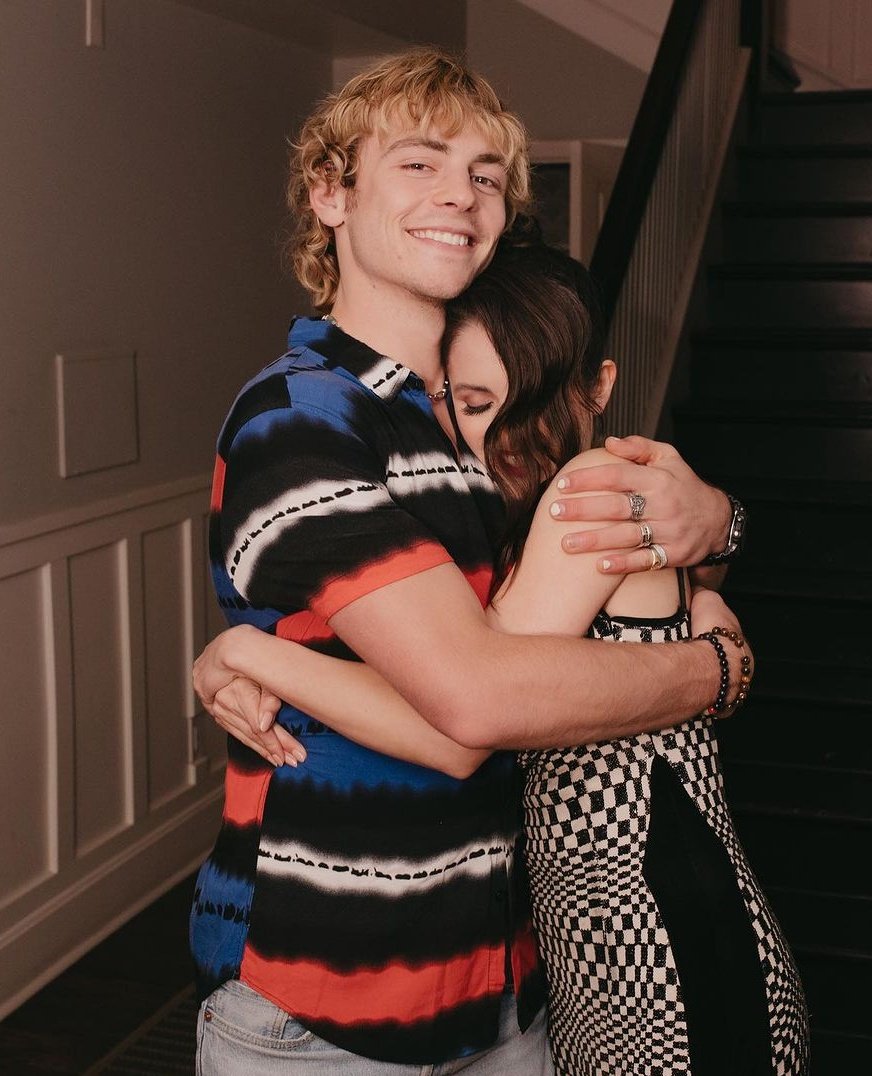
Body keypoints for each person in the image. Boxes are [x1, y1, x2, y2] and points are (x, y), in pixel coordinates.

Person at [190, 48, 756, 1074]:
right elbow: (474, 708)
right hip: (329, 1001)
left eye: (484, 174)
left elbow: (619, 591)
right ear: (330, 193)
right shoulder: (301, 418)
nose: (460, 193)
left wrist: (715, 529)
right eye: (418, 162)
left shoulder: (477, 421)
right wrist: (713, 671)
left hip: (505, 984)